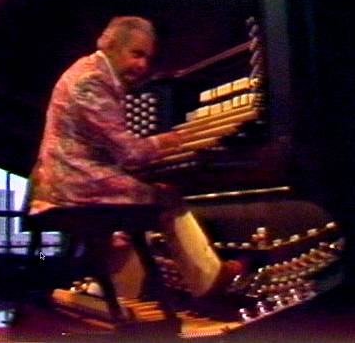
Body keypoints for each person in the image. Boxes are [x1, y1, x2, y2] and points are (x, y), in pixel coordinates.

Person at [28, 16, 243, 298]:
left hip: (67, 178)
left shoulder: (86, 70)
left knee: (131, 215)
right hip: (74, 182)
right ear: (111, 45)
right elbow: (130, 153)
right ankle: (209, 277)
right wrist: (171, 140)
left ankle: (109, 295)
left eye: (147, 58)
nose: (142, 66)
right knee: (165, 199)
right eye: (136, 54)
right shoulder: (93, 81)